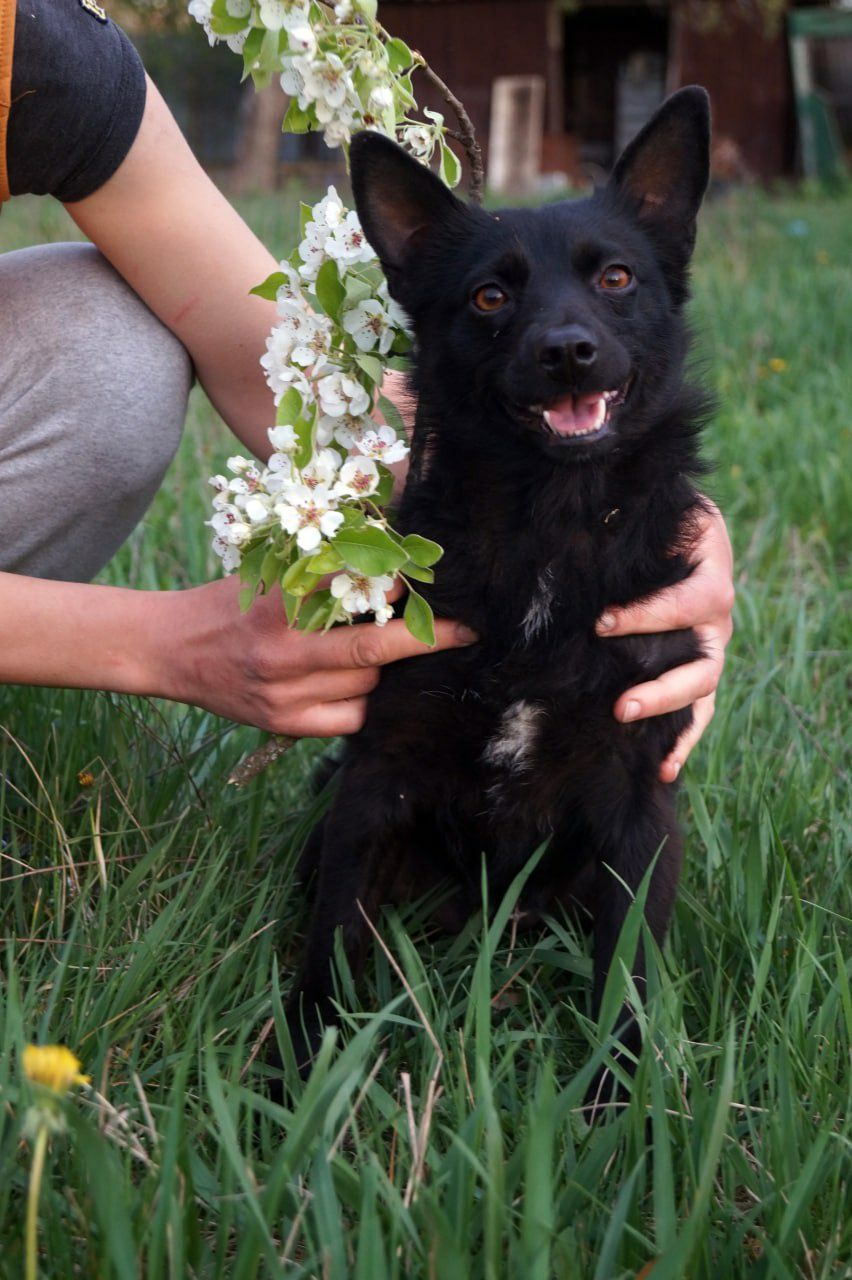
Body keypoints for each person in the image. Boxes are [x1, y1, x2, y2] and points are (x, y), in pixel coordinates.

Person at [0, 0, 734, 779]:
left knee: (106, 336)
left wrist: (651, 522)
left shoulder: (36, 53)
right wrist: (161, 643)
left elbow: (270, 357)